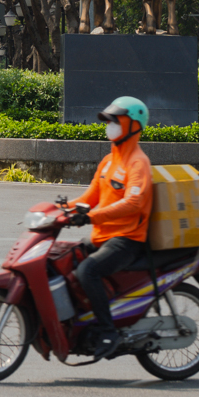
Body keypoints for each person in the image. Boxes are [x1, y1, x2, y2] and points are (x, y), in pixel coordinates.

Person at [66, 95, 155, 357]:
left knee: (88, 272)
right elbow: (88, 198)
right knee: (63, 259)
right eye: (108, 120)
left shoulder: (138, 163)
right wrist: (58, 210)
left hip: (127, 239)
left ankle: (108, 331)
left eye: (116, 120)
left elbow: (133, 203)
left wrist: (91, 217)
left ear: (134, 125)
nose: (110, 125)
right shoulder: (108, 161)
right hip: (103, 236)